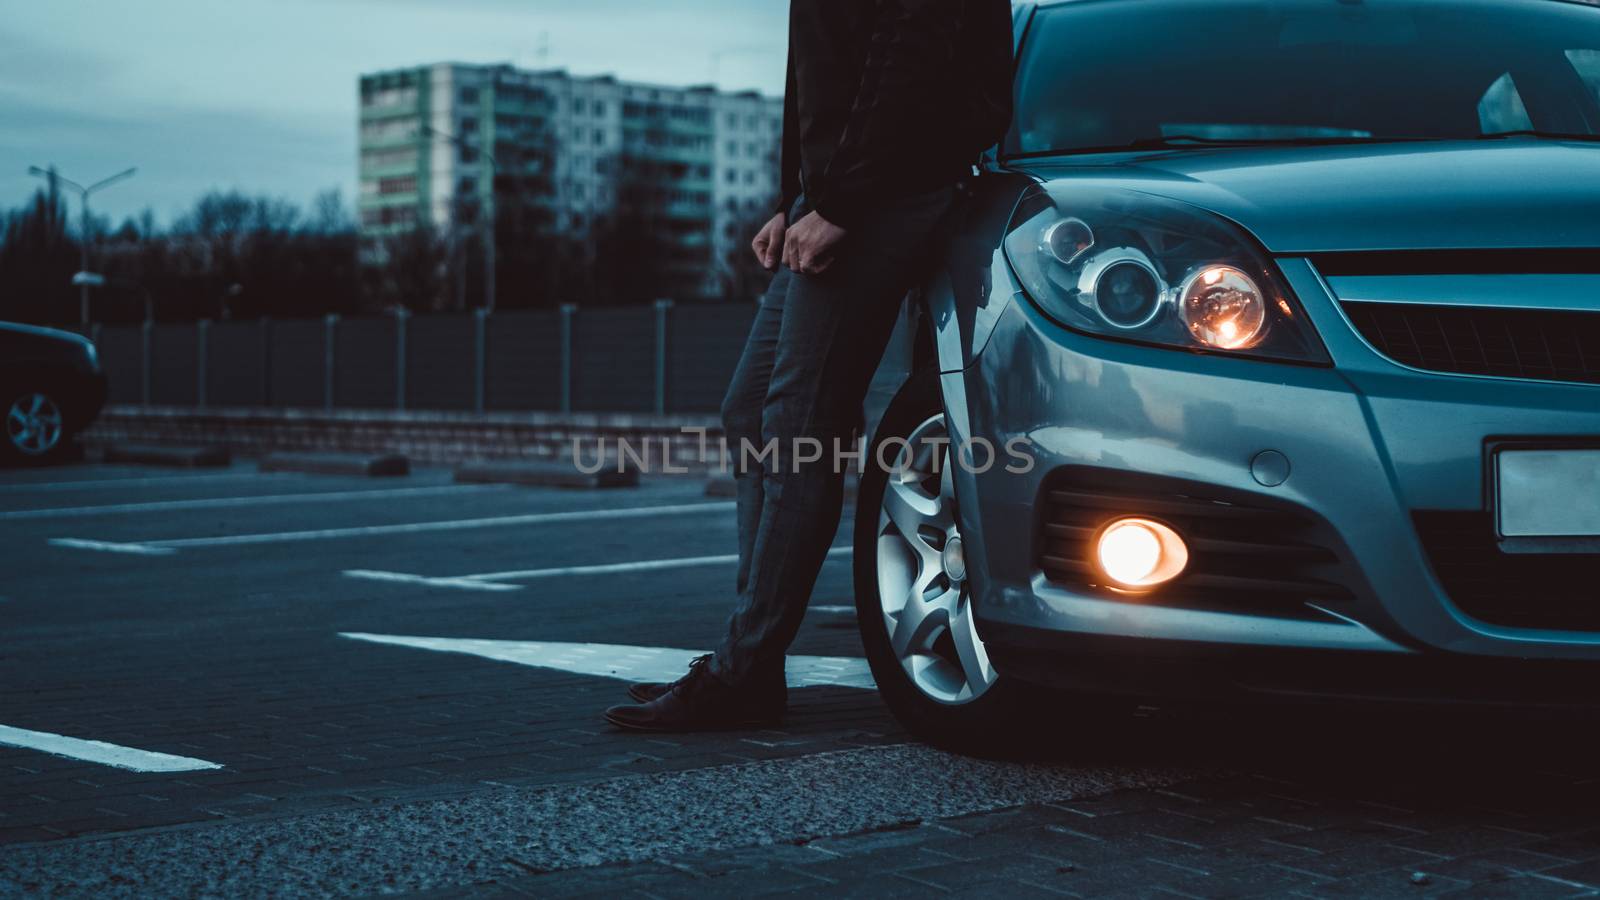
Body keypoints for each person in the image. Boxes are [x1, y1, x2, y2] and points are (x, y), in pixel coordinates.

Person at [604, 0, 1015, 732]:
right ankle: (749, 658)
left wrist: (843, 202)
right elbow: (819, 69)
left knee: (800, 424)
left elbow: (908, 46)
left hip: (891, 186)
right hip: (842, 188)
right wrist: (792, 199)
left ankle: (743, 669)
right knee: (753, 407)